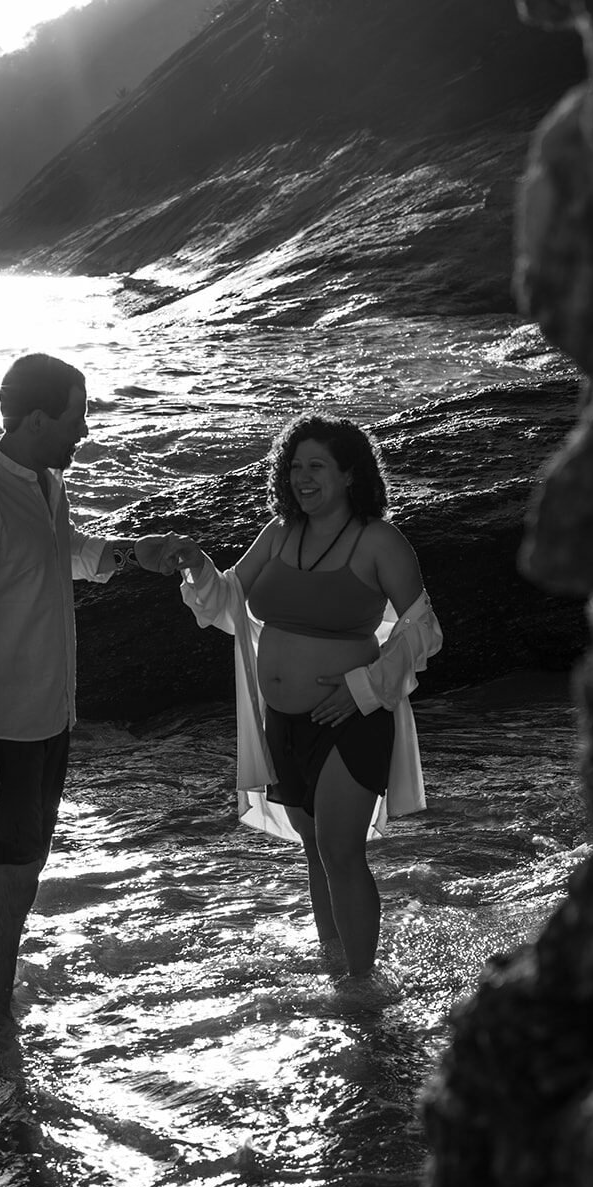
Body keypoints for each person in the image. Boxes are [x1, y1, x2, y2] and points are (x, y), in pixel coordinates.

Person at [160, 413, 442, 979]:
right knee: (314, 849)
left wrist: (362, 690)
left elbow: (423, 632)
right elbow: (229, 600)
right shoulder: (279, 532)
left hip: (350, 721)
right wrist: (197, 566)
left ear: (350, 474)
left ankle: (362, 987)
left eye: (317, 466)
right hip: (281, 722)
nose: (302, 478)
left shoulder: (378, 541)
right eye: (294, 467)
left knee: (341, 851)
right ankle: (339, 972)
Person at [0, 351, 149, 1030]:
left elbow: (60, 549)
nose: (85, 431)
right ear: (39, 418)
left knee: (16, 875)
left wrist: (131, 552)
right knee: (10, 877)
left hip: (45, 718)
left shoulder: (47, 484)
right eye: (77, 417)